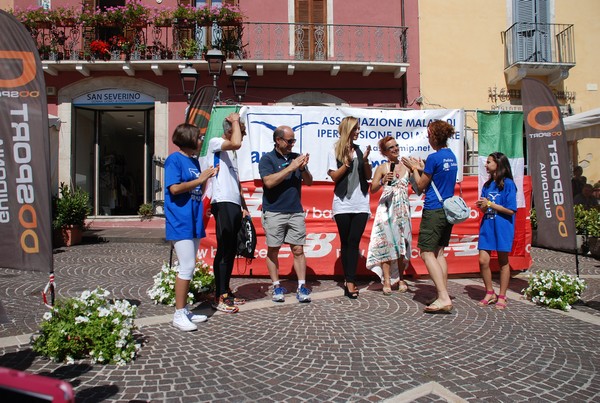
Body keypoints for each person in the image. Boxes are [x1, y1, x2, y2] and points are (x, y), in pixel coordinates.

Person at [164, 123, 218, 331]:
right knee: (185, 267)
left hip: (194, 219)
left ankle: (184, 309)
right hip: (180, 220)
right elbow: (175, 188)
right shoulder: (174, 160)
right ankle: (178, 314)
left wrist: (206, 177)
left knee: (190, 266)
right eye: (198, 137)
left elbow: (198, 187)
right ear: (188, 139)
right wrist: (200, 178)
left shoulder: (193, 161)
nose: (201, 140)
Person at [401, 120, 458, 314]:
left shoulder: (434, 157)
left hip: (434, 209)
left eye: (428, 134)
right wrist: (422, 167)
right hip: (447, 210)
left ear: (434, 136)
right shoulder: (451, 156)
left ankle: (443, 297)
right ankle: (443, 293)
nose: (427, 137)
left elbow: (421, 185)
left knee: (426, 253)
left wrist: (413, 168)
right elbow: (439, 177)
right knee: (439, 253)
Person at [258, 125, 313, 303]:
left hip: (295, 210)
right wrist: (291, 168)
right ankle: (276, 286)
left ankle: (302, 286)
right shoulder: (267, 159)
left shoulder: (296, 158)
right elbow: (268, 182)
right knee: (273, 250)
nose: (292, 144)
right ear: (278, 140)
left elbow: (309, 182)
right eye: (289, 141)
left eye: (293, 141)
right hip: (274, 211)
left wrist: (303, 168)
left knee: (298, 249)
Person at [207, 113, 249, 314]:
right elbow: (237, 143)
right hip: (221, 201)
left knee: (232, 249)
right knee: (224, 249)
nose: (244, 134)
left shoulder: (232, 154)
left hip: (233, 203)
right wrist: (235, 121)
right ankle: (219, 294)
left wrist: (244, 205)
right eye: (241, 130)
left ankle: (226, 289)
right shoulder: (217, 142)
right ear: (230, 130)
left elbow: (237, 182)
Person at [327, 116, 372, 299]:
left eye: (359, 128)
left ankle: (351, 280)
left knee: (354, 241)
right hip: (342, 203)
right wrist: (346, 163)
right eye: (355, 128)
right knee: (346, 242)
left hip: (361, 202)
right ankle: (348, 279)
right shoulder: (334, 149)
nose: (358, 131)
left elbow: (368, 176)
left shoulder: (360, 151)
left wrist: (366, 161)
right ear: (348, 129)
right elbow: (334, 177)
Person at [366, 135, 412, 296]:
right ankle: (386, 279)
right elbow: (372, 190)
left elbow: (418, 184)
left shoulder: (406, 165)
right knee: (386, 244)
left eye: (396, 146)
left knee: (401, 244)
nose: (395, 149)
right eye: (391, 147)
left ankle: (400, 278)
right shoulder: (382, 167)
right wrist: (383, 180)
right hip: (386, 208)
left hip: (402, 209)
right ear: (384, 152)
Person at [475, 152, 517, 310]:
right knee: (483, 261)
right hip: (487, 225)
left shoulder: (508, 184)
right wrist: (483, 206)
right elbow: (485, 207)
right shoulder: (487, 185)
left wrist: (490, 204)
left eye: (489, 162)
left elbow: (511, 210)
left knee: (503, 261)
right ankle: (489, 292)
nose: (486, 165)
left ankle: (502, 295)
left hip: (503, 227)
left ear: (498, 164)